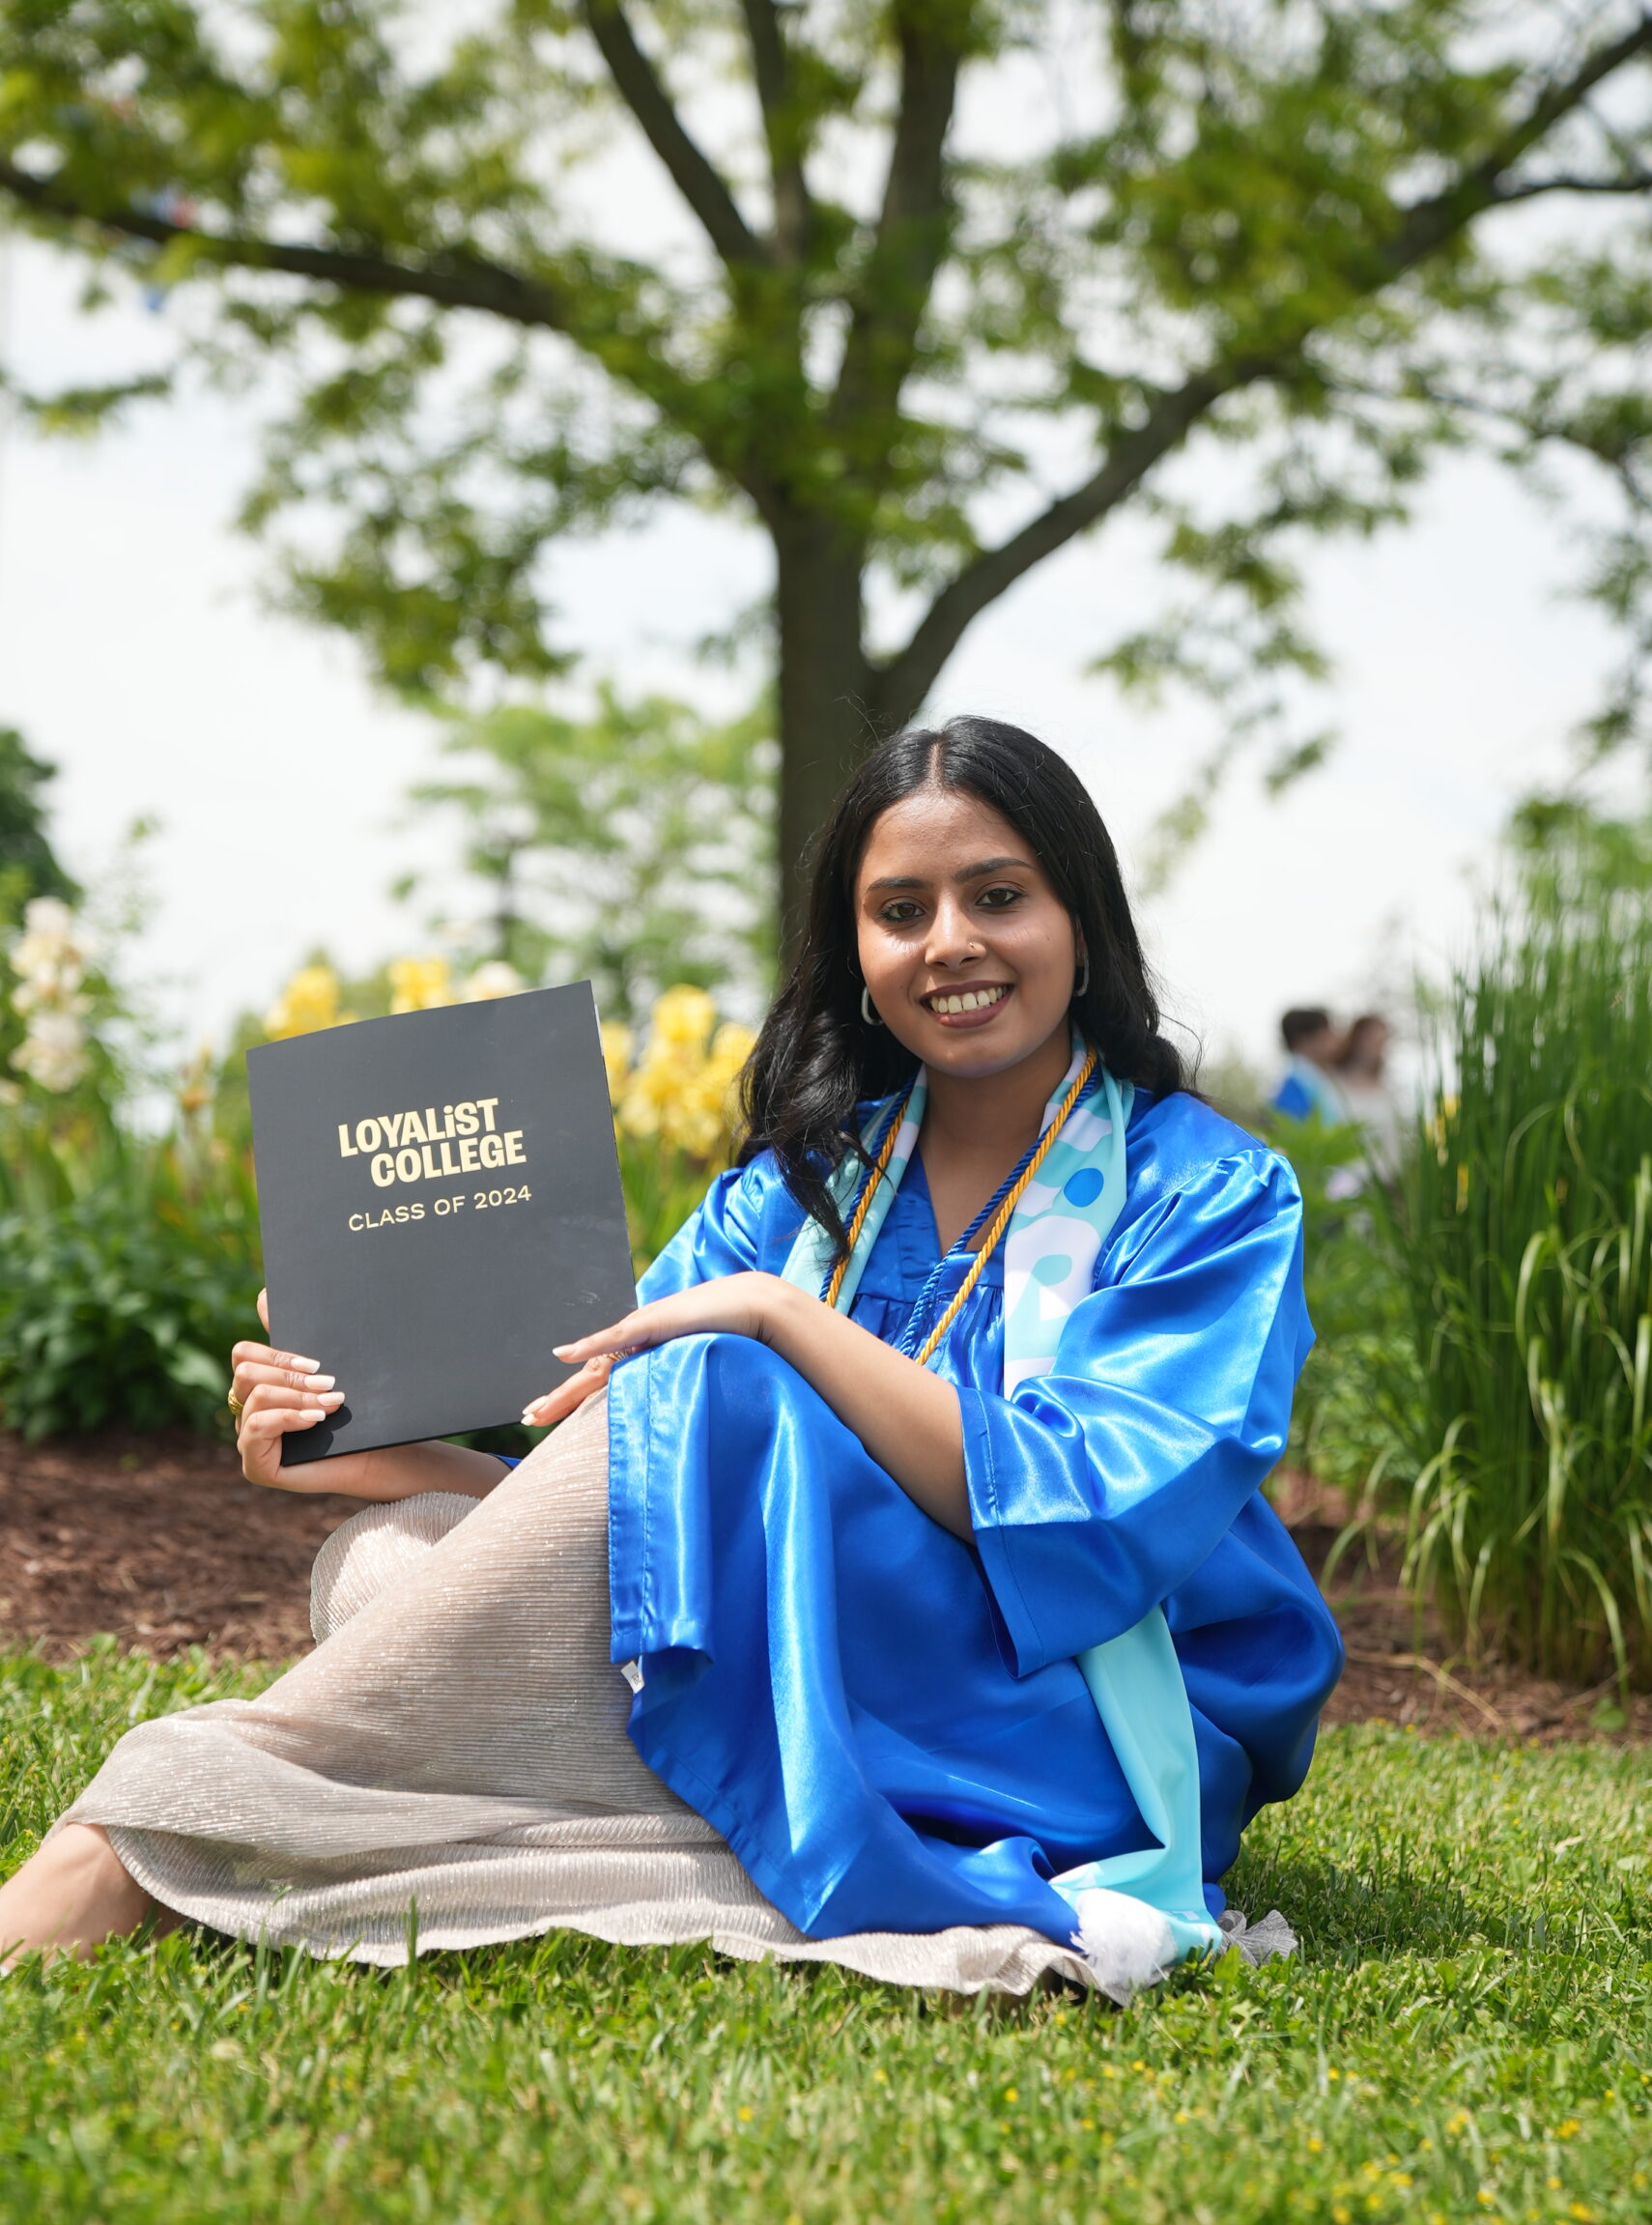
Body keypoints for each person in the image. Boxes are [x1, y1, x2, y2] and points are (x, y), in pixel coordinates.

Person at [0, 719, 1343, 2003]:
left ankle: (145, 1831)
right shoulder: (801, 1188)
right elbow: (625, 1490)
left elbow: (1094, 1519)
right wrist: (354, 1454)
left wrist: (780, 1321)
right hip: (805, 1652)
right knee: (390, 1554)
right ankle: (683, 1810)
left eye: (998, 896)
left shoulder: (1207, 1193)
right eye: (899, 910)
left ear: (1079, 921)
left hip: (1058, 1709)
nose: (950, 944)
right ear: (854, 944)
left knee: (715, 1376)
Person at [1335, 1012, 1403, 1183]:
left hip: (1377, 1185)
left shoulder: (1386, 1092)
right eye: (1371, 1039)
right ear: (1356, 1039)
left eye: (1382, 1041)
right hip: (1337, 1179)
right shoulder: (1331, 1084)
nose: (1376, 1047)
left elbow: (1392, 1144)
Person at [1269, 1008, 1351, 1126]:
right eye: (1327, 1031)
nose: (1334, 1037)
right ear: (1305, 1039)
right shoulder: (1296, 1082)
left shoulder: (1312, 1075)